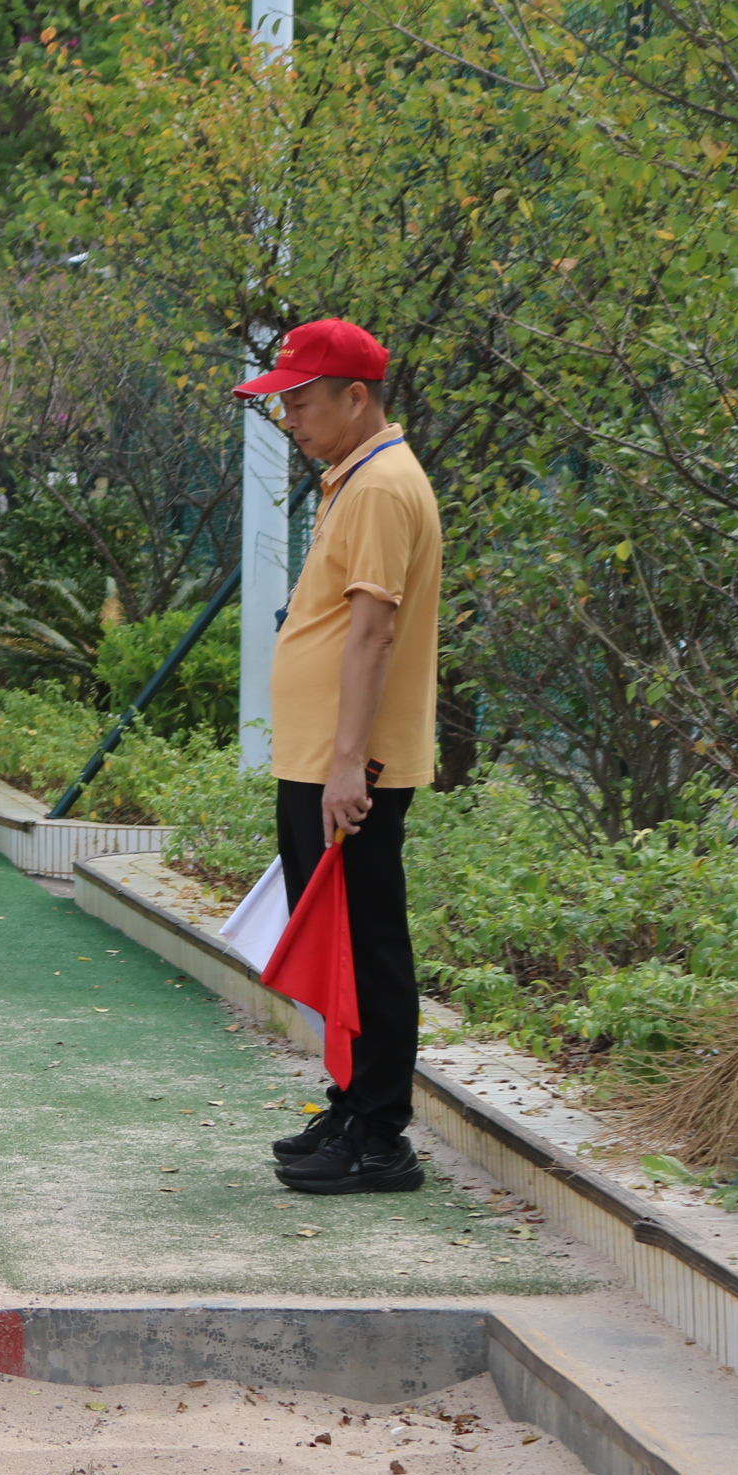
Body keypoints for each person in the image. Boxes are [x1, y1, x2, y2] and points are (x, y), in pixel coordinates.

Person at [236, 319, 442, 1198]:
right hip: (323, 759)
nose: (290, 418)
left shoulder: (383, 486)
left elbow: (373, 631)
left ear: (356, 397)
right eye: (283, 403)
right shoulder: (353, 478)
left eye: (302, 402)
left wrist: (348, 763)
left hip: (349, 767)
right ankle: (353, 1107)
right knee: (339, 943)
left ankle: (380, 1134)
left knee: (368, 944)